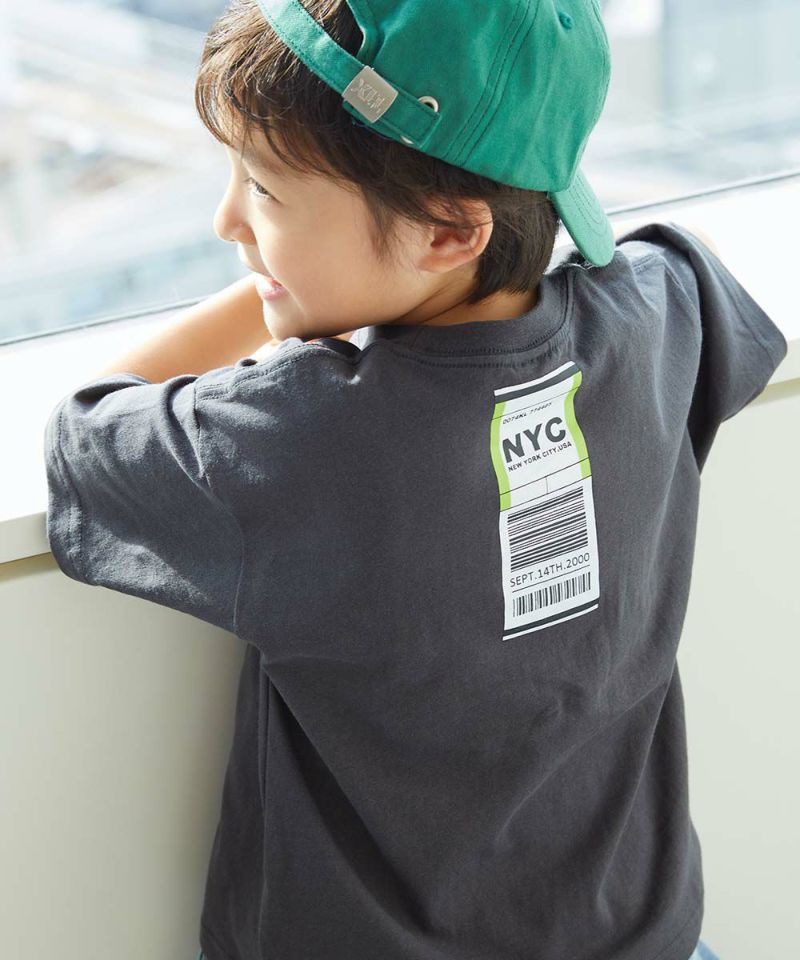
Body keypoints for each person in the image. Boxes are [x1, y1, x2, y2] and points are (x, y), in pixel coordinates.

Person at [42, 2, 785, 960]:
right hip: (647, 938)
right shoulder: (657, 313)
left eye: (263, 190)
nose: (227, 220)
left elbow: (86, 429)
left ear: (447, 232)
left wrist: (273, 299)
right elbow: (692, 268)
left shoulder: (299, 439)